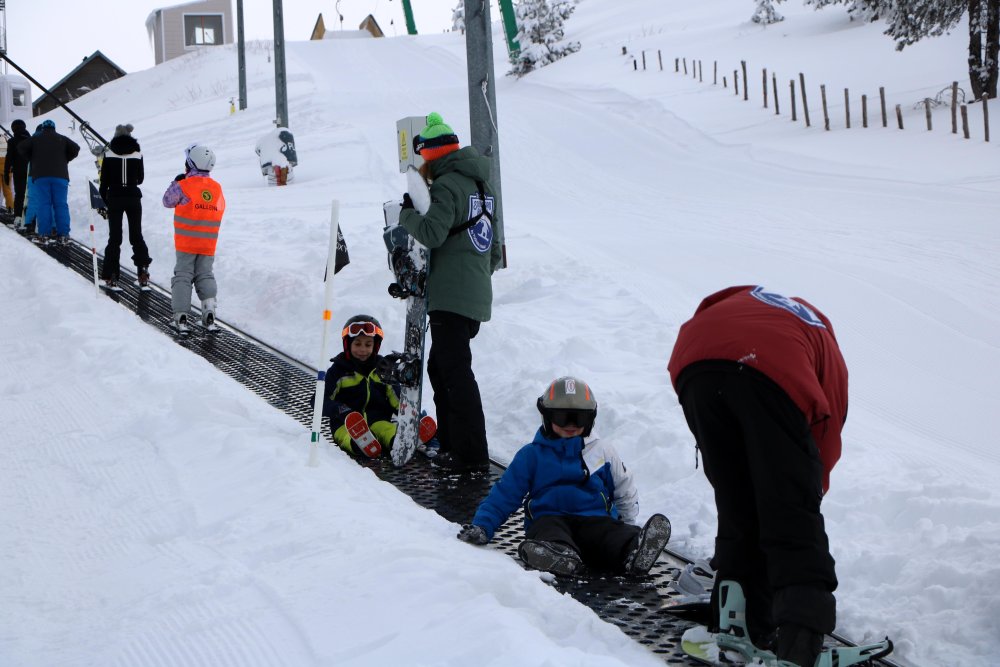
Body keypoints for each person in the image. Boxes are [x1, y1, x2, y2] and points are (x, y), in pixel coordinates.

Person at [667, 285, 847, 667]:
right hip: (769, 370)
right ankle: (800, 643)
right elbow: (827, 428)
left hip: (693, 362)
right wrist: (804, 491)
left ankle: (735, 625)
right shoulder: (824, 344)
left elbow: (706, 308)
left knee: (737, 507)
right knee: (792, 519)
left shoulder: (753, 299)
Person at [456, 376, 671, 577]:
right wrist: (483, 525)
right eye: (562, 417)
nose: (571, 425)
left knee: (610, 535)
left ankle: (633, 550)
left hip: (594, 521)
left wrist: (626, 525)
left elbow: (624, 489)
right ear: (548, 417)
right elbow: (505, 494)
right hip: (550, 519)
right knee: (548, 530)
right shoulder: (532, 455)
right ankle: (557, 555)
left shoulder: (602, 452)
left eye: (579, 419)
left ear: (590, 420)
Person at [397, 112, 503, 472]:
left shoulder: (445, 186)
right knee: (441, 369)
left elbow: (432, 234)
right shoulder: (483, 188)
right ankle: (453, 445)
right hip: (474, 295)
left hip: (451, 297)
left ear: (431, 156)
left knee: (455, 375)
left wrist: (406, 215)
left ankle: (470, 456)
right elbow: (495, 249)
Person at [322, 314, 437, 459]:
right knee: (346, 437)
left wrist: (411, 414)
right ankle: (359, 446)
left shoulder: (382, 370)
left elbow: (396, 398)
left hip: (377, 420)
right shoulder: (338, 371)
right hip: (346, 424)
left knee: (388, 430)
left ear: (375, 346)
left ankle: (402, 442)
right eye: (357, 344)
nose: (362, 349)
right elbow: (319, 400)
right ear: (347, 344)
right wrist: (341, 410)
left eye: (368, 345)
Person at [162, 144, 225, 335]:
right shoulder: (216, 188)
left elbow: (167, 201)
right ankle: (209, 314)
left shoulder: (183, 186)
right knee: (205, 274)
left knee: (183, 276)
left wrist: (176, 182)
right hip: (208, 243)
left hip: (186, 243)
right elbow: (220, 207)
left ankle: (180, 317)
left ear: (190, 163)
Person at [99, 124, 151, 290]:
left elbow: (103, 181)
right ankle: (143, 272)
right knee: (136, 235)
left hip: (114, 196)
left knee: (115, 237)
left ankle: (111, 276)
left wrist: (103, 201)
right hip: (133, 197)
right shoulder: (137, 154)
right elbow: (140, 178)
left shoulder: (108, 154)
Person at [17, 119, 80, 244]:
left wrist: (32, 158)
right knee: (61, 205)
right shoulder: (61, 138)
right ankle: (64, 234)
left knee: (44, 204)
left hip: (41, 177)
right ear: (54, 128)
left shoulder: (36, 138)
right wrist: (65, 159)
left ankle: (44, 234)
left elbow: (21, 147)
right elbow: (76, 148)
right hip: (60, 176)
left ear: (43, 128)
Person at [4, 119, 31, 224]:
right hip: (31, 171)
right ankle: (29, 217)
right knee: (30, 194)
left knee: (20, 194)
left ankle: (18, 217)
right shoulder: (31, 139)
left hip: (18, 172)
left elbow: (9, 158)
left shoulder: (12, 141)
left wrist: (6, 173)